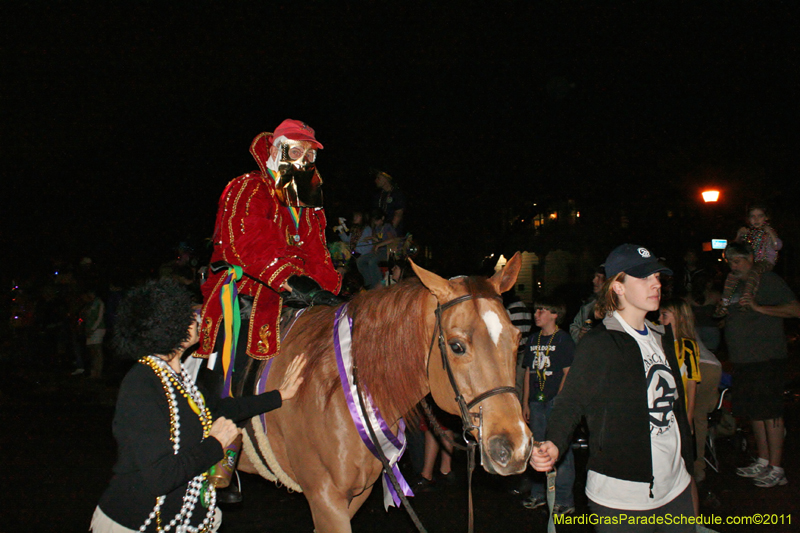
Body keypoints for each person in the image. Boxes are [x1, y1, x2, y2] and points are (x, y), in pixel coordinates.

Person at [91, 279, 307, 532]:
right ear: (166, 326)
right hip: (136, 523)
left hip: (185, 522)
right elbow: (161, 477)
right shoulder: (141, 385)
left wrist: (281, 395)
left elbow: (222, 410)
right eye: (189, 315)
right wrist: (216, 443)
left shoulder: (180, 379)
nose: (198, 319)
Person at [531, 244, 695, 532]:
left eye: (657, 276)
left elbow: (674, 408)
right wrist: (554, 443)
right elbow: (570, 401)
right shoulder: (600, 343)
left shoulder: (661, 336)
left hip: (676, 487)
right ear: (617, 286)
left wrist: (687, 464)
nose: (656, 283)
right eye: (643, 277)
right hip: (623, 496)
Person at [197, 118, 341, 364]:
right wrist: (293, 281)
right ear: (275, 151)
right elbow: (246, 246)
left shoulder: (307, 206)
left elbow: (318, 253)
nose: (303, 160)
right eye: (296, 151)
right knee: (232, 369)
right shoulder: (250, 186)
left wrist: (324, 292)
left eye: (309, 156)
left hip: (298, 295)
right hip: (247, 290)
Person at [722, 241, 800, 488]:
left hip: (766, 358)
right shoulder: (735, 285)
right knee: (755, 412)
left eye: (737, 261)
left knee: (771, 413)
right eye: (730, 262)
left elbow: (795, 309)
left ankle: (777, 468)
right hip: (743, 359)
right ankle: (763, 459)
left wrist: (758, 308)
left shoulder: (768, 280)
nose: (733, 266)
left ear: (751, 258)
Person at [521, 297, 576, 516]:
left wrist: (560, 401)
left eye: (541, 310)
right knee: (536, 446)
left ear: (554, 314)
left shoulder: (563, 340)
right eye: (536, 311)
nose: (537, 315)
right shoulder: (533, 340)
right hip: (536, 401)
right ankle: (539, 493)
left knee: (559, 449)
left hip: (554, 402)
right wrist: (525, 402)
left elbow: (567, 372)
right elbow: (527, 372)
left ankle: (564, 499)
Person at [716, 205, 782, 317]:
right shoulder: (749, 233)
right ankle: (725, 302)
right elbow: (735, 248)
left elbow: (777, 246)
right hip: (750, 262)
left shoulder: (768, 232)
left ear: (766, 218)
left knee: (753, 272)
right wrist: (739, 235)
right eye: (753, 216)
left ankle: (747, 298)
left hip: (765, 262)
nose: (756, 219)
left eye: (760, 216)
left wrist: (770, 233)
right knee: (732, 275)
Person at [355, 208, 397, 289]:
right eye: (374, 221)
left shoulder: (387, 226)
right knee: (360, 260)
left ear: (382, 218)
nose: (375, 223)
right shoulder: (377, 227)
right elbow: (379, 239)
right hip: (379, 251)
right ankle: (369, 283)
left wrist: (379, 245)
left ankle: (378, 284)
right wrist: (371, 238)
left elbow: (392, 239)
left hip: (387, 251)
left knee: (372, 262)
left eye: (377, 220)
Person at [569, 265, 606, 344]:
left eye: (599, 277)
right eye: (594, 277)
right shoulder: (588, 305)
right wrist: (579, 335)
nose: (594, 281)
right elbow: (574, 326)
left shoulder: (619, 306)